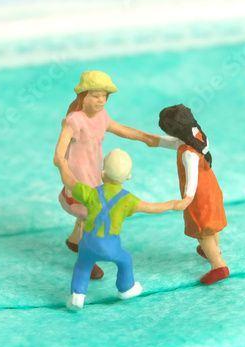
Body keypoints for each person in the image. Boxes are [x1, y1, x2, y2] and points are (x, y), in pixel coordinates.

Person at [53, 71, 164, 280]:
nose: (101, 100)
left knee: (86, 214)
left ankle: (74, 240)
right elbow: (58, 156)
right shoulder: (74, 121)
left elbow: (123, 130)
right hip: (79, 176)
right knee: (91, 214)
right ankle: (87, 259)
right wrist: (66, 173)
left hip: (95, 172)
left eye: (104, 96)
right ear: (84, 96)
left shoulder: (102, 117)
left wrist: (146, 138)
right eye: (96, 96)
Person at [59, 148, 189, 310]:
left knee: (83, 265)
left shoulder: (91, 193)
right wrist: (177, 204)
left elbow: (70, 181)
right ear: (128, 177)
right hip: (110, 247)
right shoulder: (129, 200)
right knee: (125, 260)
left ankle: (77, 296)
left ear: (103, 173)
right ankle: (126, 288)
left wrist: (62, 165)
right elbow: (153, 207)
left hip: (87, 243)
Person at [158, 104, 230, 285]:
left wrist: (187, 199)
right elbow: (172, 142)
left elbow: (191, 178)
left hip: (199, 195)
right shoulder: (198, 136)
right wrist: (150, 139)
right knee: (212, 224)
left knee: (202, 230)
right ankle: (214, 250)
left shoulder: (189, 154)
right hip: (212, 188)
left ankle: (218, 265)